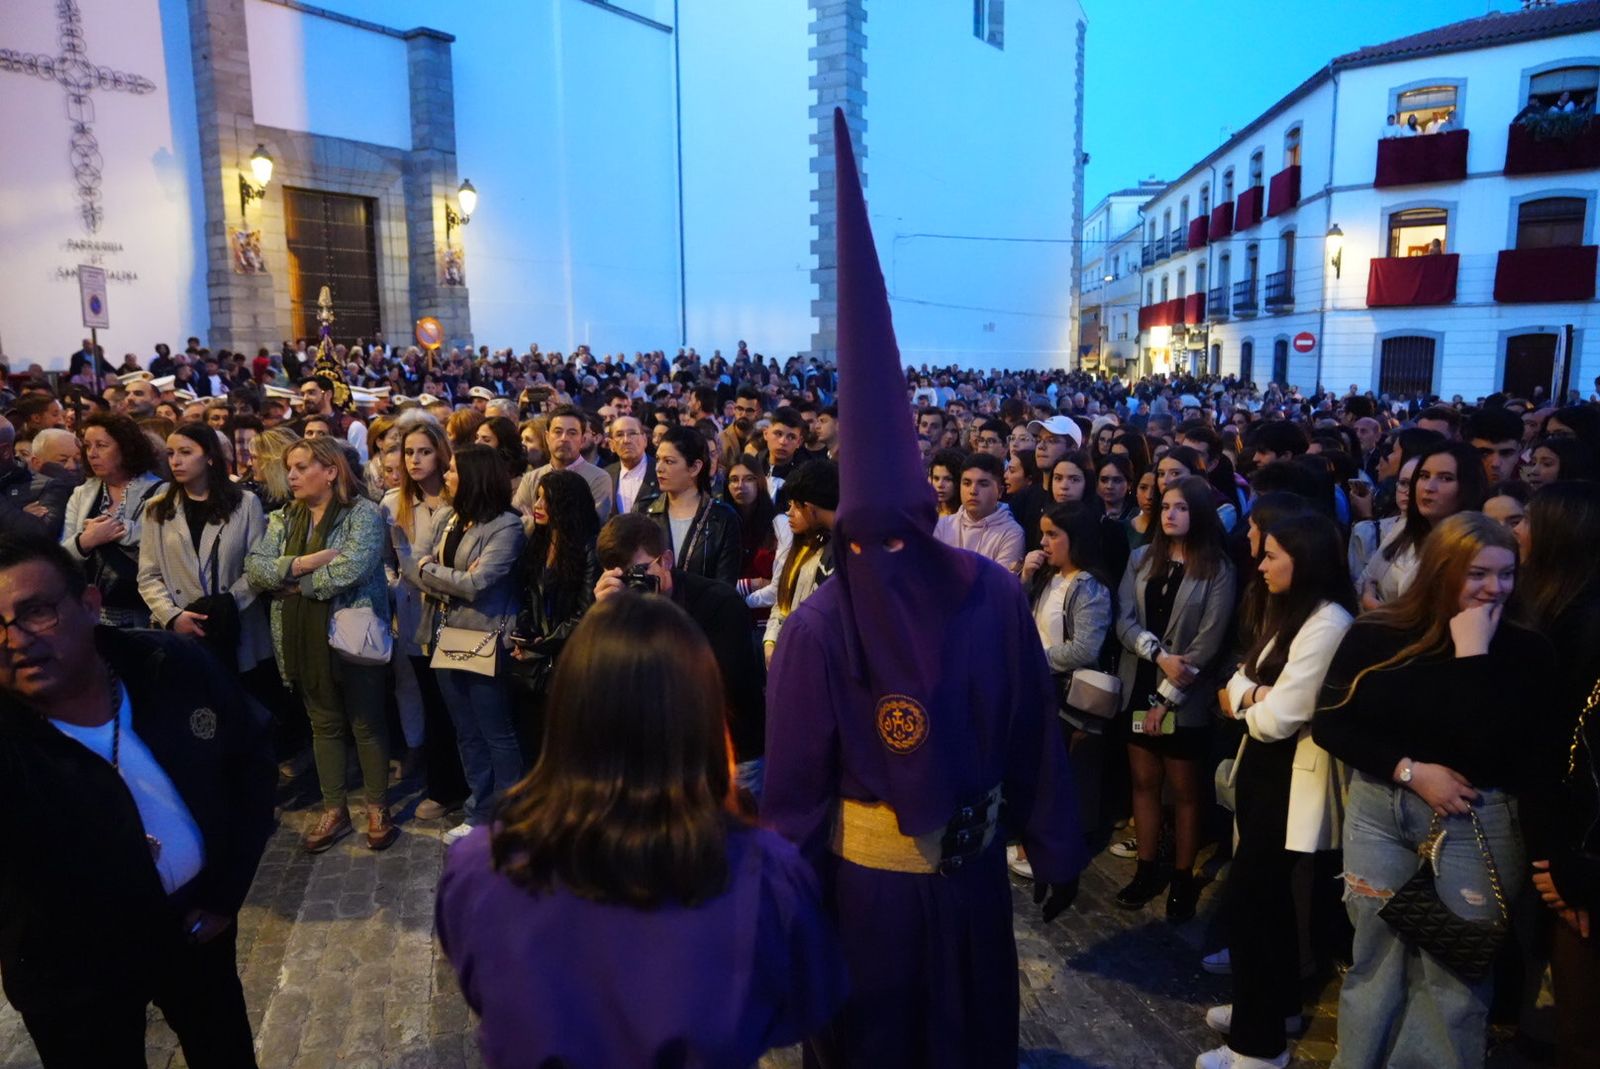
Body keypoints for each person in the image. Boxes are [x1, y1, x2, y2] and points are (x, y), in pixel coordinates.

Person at [762, 113, 1083, 1067]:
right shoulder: (827, 626)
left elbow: (1031, 732)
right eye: (868, 543)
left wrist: (1051, 835)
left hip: (969, 881)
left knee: (967, 1031)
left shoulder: (983, 597)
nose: (885, 559)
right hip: (872, 896)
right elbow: (797, 790)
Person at [436, 593, 844, 1067]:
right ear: (703, 717)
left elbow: (481, 985)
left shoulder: (480, 867)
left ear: (568, 710)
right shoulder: (767, 878)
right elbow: (799, 1008)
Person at [0, 530, 275, 1068]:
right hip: (75, 978)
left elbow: (250, 762)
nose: (15, 640)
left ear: (89, 604)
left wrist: (225, 892)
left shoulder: (170, 667)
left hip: (197, 930)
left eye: (35, 612)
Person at [1313, 512, 1558, 1069]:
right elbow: (1331, 724)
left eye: (1506, 574)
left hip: (1477, 819)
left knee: (1453, 973)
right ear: (1441, 571)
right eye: (1477, 574)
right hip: (1381, 809)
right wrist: (1409, 769)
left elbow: (1507, 752)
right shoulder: (1378, 633)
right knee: (1375, 957)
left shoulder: (1525, 651)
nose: (1494, 588)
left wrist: (1474, 659)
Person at [1201, 514, 1355, 1069]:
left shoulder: (1328, 621)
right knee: (1264, 906)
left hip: (1290, 779)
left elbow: (1277, 719)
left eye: (1270, 555)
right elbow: (1244, 674)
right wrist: (1253, 692)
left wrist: (1246, 698)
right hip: (1268, 773)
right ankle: (1270, 1008)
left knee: (1256, 907)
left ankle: (1257, 1047)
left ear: (1304, 557)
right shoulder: (1293, 611)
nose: (1259, 565)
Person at [246, 435, 395, 853]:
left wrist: (296, 585)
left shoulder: (361, 514)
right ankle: (334, 808)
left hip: (352, 635)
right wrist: (299, 564)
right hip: (301, 639)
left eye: (301, 467)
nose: (291, 475)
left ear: (330, 471)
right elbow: (256, 569)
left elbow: (353, 567)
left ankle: (377, 806)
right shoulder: (283, 518)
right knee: (323, 724)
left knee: (366, 723)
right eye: (289, 468)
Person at [1113, 475, 1237, 920]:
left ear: (1198, 513)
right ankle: (1147, 868)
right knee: (1143, 783)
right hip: (1141, 681)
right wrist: (1158, 655)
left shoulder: (1217, 567)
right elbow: (1123, 620)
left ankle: (1182, 876)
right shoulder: (1141, 558)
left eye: (1181, 507)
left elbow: (1208, 643)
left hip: (1184, 696)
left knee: (1184, 791)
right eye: (1165, 506)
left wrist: (1165, 700)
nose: (1169, 513)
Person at [594, 512, 767, 798]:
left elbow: (718, 690)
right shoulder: (617, 613)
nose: (633, 585)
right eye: (622, 577)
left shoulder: (720, 603)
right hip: (657, 758)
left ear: (666, 560)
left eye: (640, 572)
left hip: (728, 756)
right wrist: (605, 621)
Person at [1516, 483, 1600, 1069]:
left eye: (1527, 521)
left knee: (1582, 1029)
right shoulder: (1553, 606)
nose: (1516, 531)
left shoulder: (1583, 623)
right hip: (1565, 839)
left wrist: (1563, 861)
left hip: (1579, 847)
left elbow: (1571, 748)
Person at [407, 445, 527, 846]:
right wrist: (442, 573)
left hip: (482, 636)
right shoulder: (449, 516)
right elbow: (416, 564)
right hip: (444, 633)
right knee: (467, 732)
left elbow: (477, 585)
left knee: (496, 732)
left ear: (475, 476)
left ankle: (508, 814)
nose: (446, 476)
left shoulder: (506, 527)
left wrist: (434, 572)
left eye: (454, 470)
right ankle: (479, 810)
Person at [1016, 503, 1114, 870]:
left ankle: (1057, 852)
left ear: (1077, 538)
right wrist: (1025, 577)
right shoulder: (1049, 576)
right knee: (1038, 773)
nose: (1043, 542)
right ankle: (1034, 846)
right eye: (1043, 533)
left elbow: (1086, 647)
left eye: (1053, 534)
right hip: (1041, 687)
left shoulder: (1088, 586)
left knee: (1064, 777)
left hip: (1067, 693)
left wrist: (1032, 659)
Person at [136, 423, 271, 673]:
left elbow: (257, 566)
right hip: (181, 627)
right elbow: (148, 575)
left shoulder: (245, 503)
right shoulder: (157, 509)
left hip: (235, 625)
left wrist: (226, 604)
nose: (175, 461)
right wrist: (172, 616)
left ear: (209, 456)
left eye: (185, 452)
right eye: (171, 453)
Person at [384, 418, 467, 821]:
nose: (414, 460)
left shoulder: (459, 499)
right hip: (415, 615)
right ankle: (443, 787)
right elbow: (392, 562)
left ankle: (470, 785)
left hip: (459, 615)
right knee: (432, 702)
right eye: (408, 452)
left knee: (461, 704)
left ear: (441, 454)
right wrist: (398, 587)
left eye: (424, 451)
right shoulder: (392, 504)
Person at [509, 468, 599, 750]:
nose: (537, 506)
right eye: (536, 498)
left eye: (545, 499)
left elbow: (585, 612)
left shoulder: (588, 548)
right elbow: (526, 596)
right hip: (536, 660)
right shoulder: (537, 542)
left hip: (572, 658)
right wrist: (525, 633)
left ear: (566, 503)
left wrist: (542, 645)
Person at [62, 412, 165, 627]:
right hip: (91, 613)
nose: (92, 454)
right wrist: (86, 541)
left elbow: (165, 547)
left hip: (145, 612)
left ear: (126, 449)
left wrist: (117, 530)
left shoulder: (161, 491)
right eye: (88, 446)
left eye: (101, 445)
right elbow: (61, 555)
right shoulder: (81, 494)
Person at [1360, 441, 1486, 610]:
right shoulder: (1405, 528)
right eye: (1424, 476)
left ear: (1468, 487)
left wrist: (1374, 605)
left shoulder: (1471, 548)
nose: (1429, 487)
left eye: (1446, 478)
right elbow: (1367, 578)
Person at [644, 425, 741, 586]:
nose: (659, 468)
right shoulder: (645, 511)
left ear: (695, 467)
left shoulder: (723, 518)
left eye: (669, 461)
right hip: (652, 608)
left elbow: (725, 586)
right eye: (658, 459)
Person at [762, 459, 838, 665]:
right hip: (785, 651)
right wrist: (770, 642)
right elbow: (781, 601)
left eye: (796, 505)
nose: (790, 512)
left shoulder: (833, 554)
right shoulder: (797, 546)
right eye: (789, 505)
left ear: (811, 508)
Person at [513, 404, 614, 526]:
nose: (564, 438)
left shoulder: (598, 478)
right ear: (547, 437)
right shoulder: (531, 478)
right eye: (558, 432)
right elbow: (517, 522)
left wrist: (537, 520)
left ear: (582, 440)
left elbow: (590, 525)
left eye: (572, 433)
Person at [934, 452, 1025, 573]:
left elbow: (998, 585)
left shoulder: (1011, 533)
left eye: (983, 484)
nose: (973, 491)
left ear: (1000, 491)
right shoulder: (942, 525)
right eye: (967, 483)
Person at [604, 414, 659, 515]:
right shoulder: (605, 476)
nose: (626, 440)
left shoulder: (661, 471)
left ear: (645, 440)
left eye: (632, 433)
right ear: (611, 445)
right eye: (619, 435)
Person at [927, 448, 963, 517]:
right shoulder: (925, 512)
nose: (940, 485)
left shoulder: (967, 515)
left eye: (948, 479)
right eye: (936, 478)